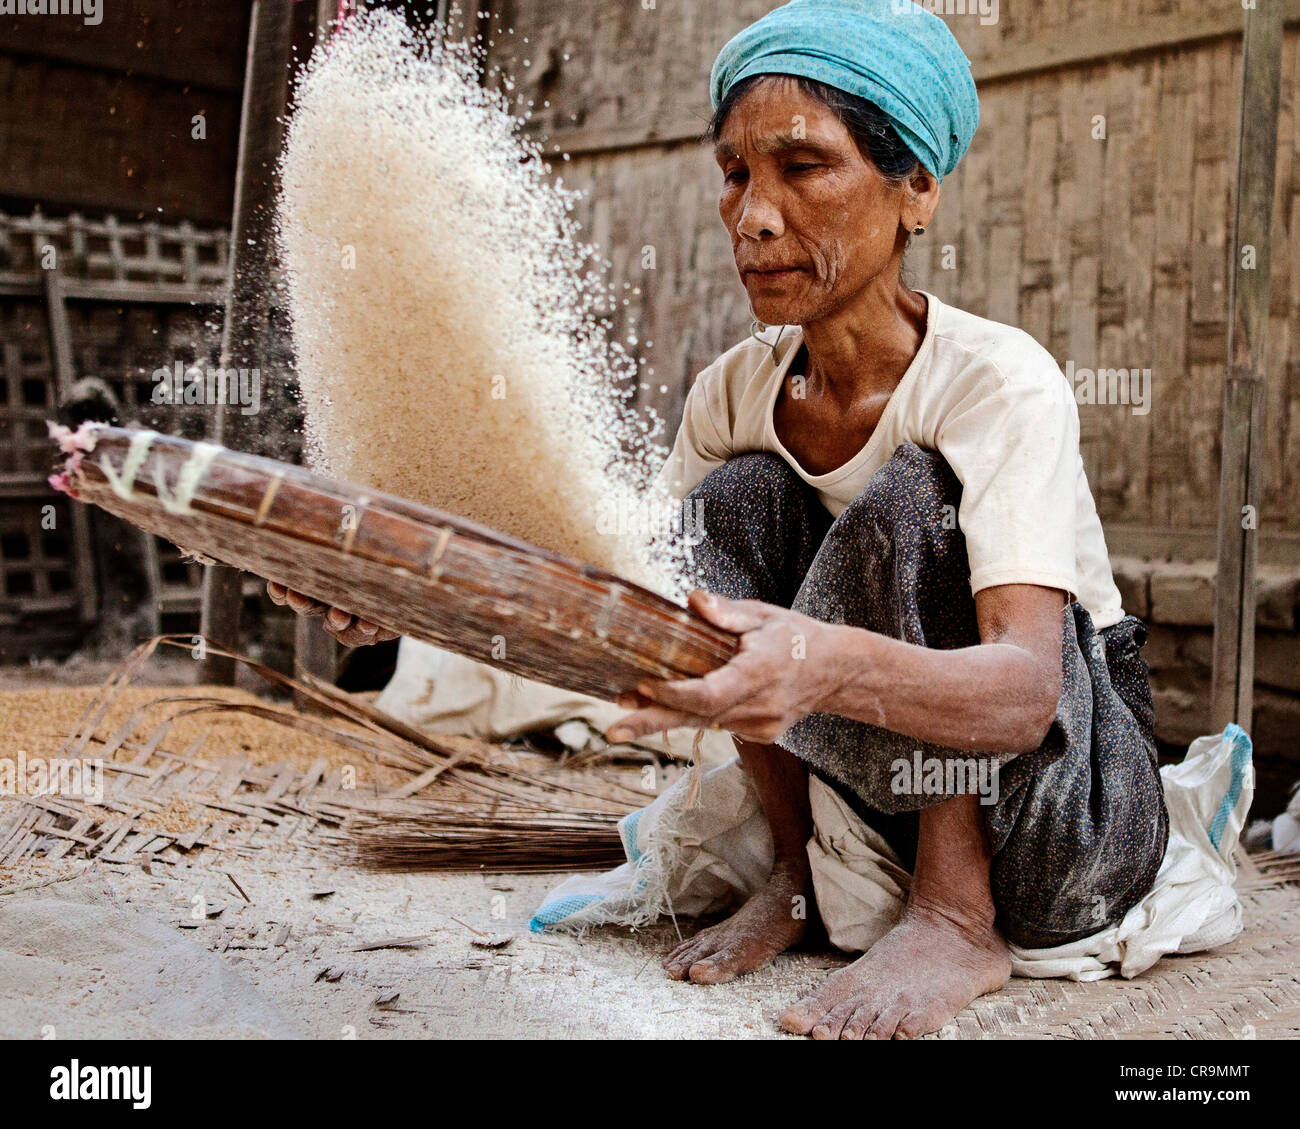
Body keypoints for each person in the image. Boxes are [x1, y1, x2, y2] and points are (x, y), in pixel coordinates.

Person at [274, 0, 1169, 1040]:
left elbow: (1023, 693)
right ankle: (796, 876)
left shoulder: (995, 382)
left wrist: (821, 661)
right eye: (736, 173)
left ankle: (955, 914)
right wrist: (403, 596)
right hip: (873, 782)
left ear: (915, 188)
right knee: (724, 508)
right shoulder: (733, 394)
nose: (752, 213)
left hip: (1065, 803)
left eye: (803, 167)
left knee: (913, 500)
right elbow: (634, 601)